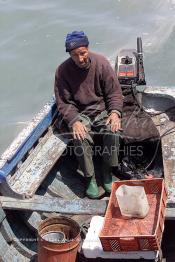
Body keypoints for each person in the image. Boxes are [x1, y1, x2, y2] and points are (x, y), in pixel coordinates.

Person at [54, 31, 123, 198]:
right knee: (79, 136)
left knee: (113, 131)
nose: (80, 59)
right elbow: (63, 102)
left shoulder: (101, 63)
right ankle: (90, 177)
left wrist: (114, 113)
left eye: (83, 53)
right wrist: (74, 121)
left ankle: (107, 171)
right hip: (80, 113)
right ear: (69, 54)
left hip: (101, 110)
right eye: (74, 55)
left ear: (88, 49)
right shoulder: (62, 71)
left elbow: (114, 93)